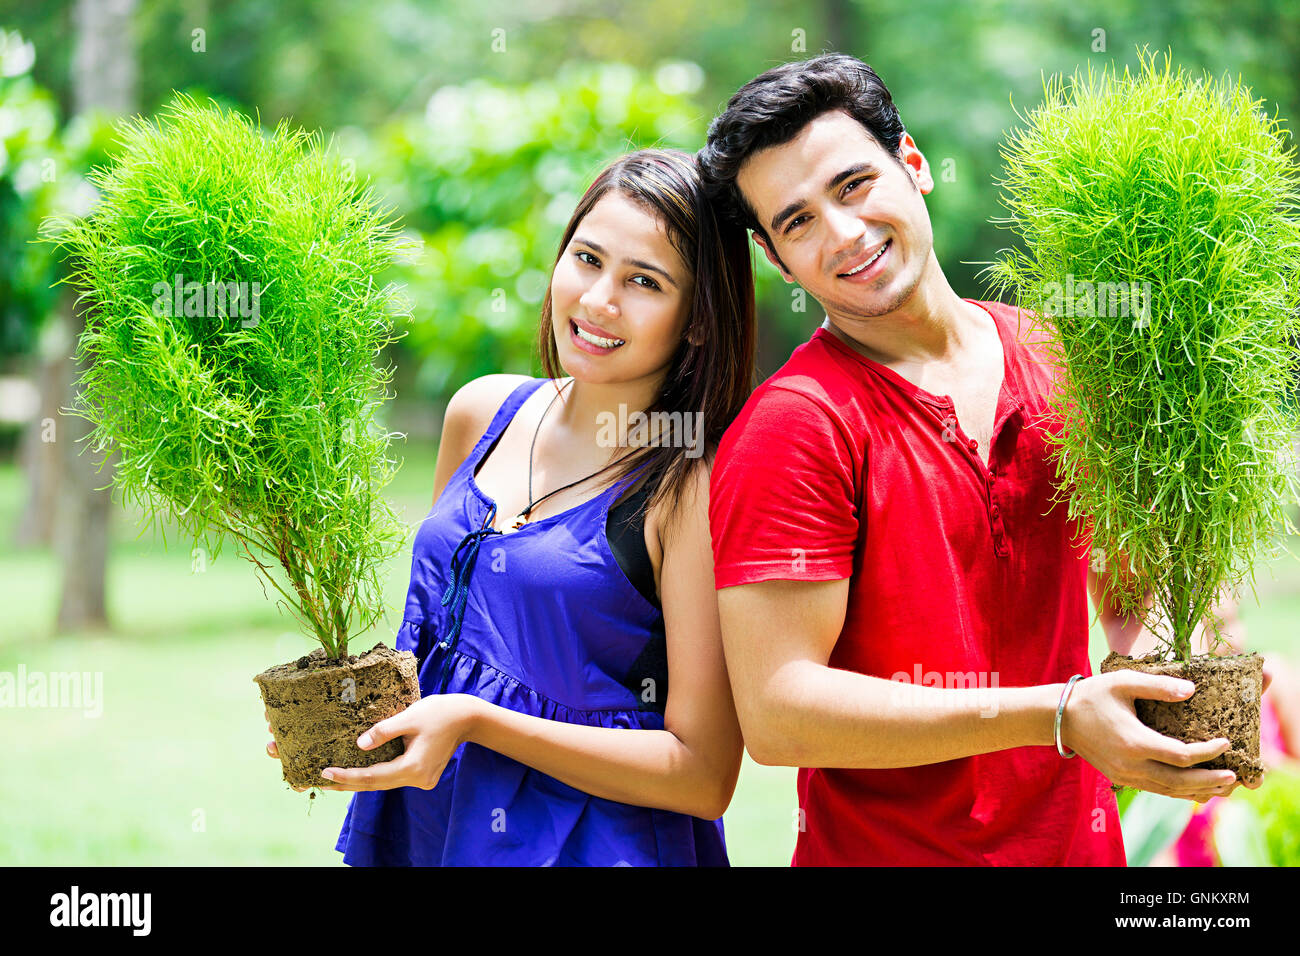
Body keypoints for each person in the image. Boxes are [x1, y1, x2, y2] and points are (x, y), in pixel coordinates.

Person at [696, 53, 1264, 866]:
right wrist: (1059, 715)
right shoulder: (796, 427)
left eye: (853, 185)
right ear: (777, 261)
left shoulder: (1057, 355)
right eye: (798, 222)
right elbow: (780, 713)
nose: (843, 233)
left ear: (914, 165)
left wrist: (1187, 672)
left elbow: (1128, 595)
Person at [265, 148, 756, 865]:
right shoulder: (483, 409)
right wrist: (341, 715)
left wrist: (477, 724)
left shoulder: (685, 488)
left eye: (644, 281)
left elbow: (704, 775)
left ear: (700, 321)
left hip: (591, 847)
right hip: (432, 826)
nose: (598, 301)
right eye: (587, 259)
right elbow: (442, 643)